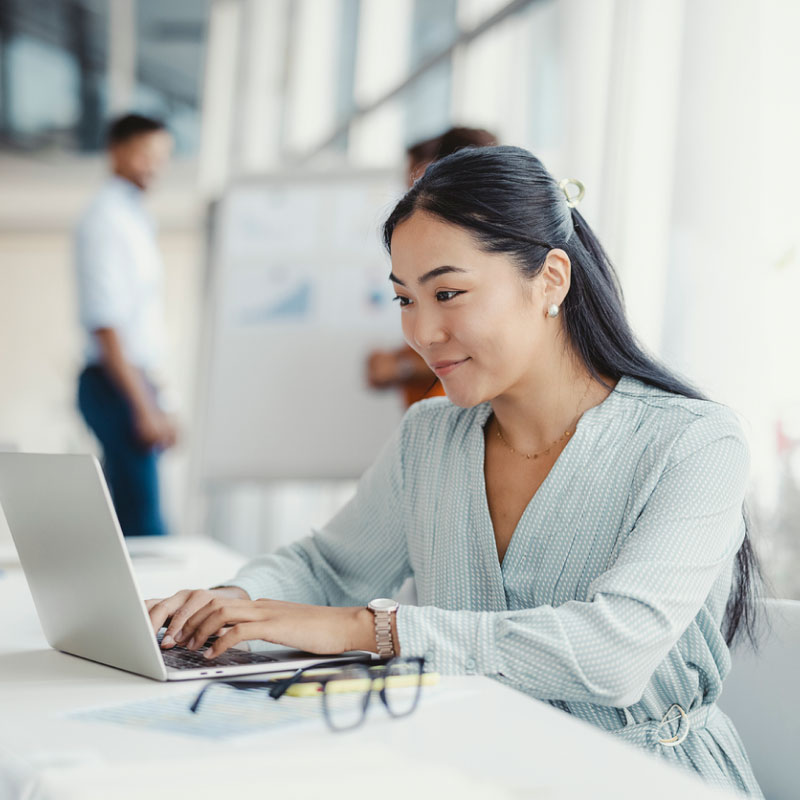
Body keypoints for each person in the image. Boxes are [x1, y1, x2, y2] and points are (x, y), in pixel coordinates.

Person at [148, 146, 763, 797]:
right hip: (476, 771)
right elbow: (329, 567)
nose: (422, 331)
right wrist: (234, 603)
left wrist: (373, 630)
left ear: (551, 279)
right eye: (404, 299)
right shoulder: (430, 437)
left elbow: (613, 653)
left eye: (448, 293)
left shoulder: (694, 443)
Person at [75, 113, 176, 537]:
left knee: (132, 517)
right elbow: (108, 323)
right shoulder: (106, 220)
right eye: (144, 154)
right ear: (117, 151)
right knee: (143, 526)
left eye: (161, 156)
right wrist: (144, 406)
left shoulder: (133, 217)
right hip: (116, 383)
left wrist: (159, 399)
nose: (153, 165)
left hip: (132, 381)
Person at [366, 126, 498, 407]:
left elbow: (484, 345)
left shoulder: (481, 253)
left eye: (417, 183)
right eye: (404, 299)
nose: (411, 200)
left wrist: (400, 367)